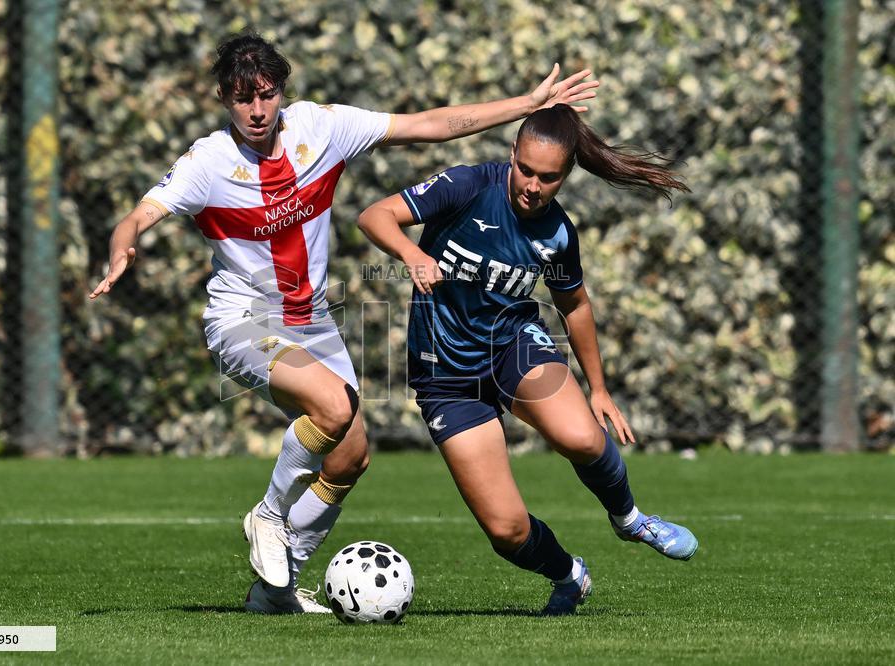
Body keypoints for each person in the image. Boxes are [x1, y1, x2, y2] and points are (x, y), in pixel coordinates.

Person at [88, 32, 599, 613]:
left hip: (312, 321)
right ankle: (269, 515)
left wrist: (523, 106)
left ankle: (274, 593)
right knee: (332, 408)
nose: (256, 110)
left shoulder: (320, 129)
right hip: (243, 318)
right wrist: (122, 248)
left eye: (266, 94)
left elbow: (432, 124)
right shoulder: (209, 162)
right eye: (240, 98)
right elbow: (139, 215)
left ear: (282, 89)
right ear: (223, 101)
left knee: (350, 454)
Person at [356, 103, 698, 615]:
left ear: (566, 176)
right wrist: (413, 254)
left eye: (549, 177)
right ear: (511, 153)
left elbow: (575, 305)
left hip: (513, 345)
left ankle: (629, 519)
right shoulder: (468, 186)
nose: (533, 185)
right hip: (446, 375)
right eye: (526, 170)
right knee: (506, 530)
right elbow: (373, 215)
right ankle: (569, 575)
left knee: (582, 436)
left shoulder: (558, 233)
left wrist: (598, 388)